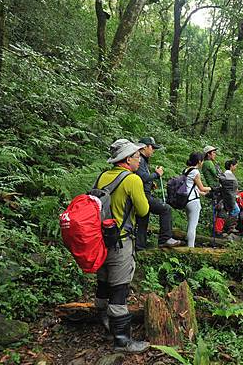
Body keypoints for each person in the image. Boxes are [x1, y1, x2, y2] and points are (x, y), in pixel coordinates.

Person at [95, 139, 150, 353]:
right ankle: (122, 341)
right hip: (121, 241)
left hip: (100, 240)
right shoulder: (132, 180)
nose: (139, 161)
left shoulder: (102, 176)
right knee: (119, 289)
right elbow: (144, 210)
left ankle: (102, 318)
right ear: (127, 159)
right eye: (137, 157)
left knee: (103, 282)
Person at [135, 136, 180, 250]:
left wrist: (151, 184)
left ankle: (140, 247)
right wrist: (156, 174)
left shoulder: (142, 160)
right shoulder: (139, 159)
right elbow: (142, 177)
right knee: (166, 209)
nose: (153, 150)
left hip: (142, 194)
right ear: (145, 147)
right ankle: (165, 239)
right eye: (152, 148)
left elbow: (142, 178)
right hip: (143, 196)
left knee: (143, 221)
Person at [184, 152, 212, 247]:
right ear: (199, 161)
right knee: (193, 226)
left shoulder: (186, 170)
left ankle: (187, 243)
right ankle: (190, 248)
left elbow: (190, 186)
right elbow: (202, 187)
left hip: (186, 200)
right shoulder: (195, 172)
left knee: (190, 223)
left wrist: (202, 193)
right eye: (202, 161)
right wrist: (212, 188)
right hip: (193, 201)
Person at [220, 159, 240, 233]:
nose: (236, 168)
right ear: (231, 165)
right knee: (235, 211)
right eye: (235, 166)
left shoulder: (229, 174)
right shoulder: (228, 174)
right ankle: (228, 227)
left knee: (233, 211)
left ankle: (228, 227)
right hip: (229, 197)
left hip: (231, 196)